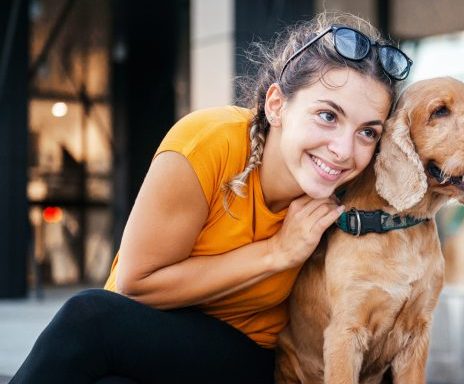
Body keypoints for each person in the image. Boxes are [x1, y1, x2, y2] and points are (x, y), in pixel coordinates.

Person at [11, 11, 412, 384]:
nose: (344, 150)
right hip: (146, 332)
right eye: (328, 115)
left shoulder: (352, 199)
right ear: (277, 105)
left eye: (367, 132)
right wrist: (278, 251)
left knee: (87, 318)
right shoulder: (208, 142)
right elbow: (137, 285)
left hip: (247, 359)